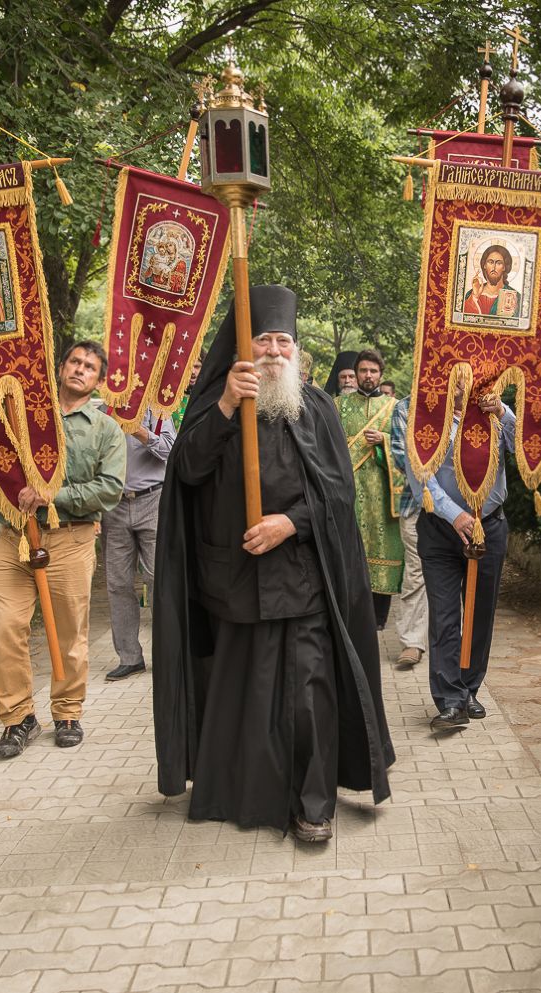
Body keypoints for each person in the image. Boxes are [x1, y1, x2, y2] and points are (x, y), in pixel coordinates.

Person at [153, 285, 395, 843]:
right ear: (244, 346)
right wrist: (222, 407)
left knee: (309, 691)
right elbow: (187, 473)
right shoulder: (215, 402)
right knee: (247, 694)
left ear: (296, 349)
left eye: (283, 341)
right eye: (263, 340)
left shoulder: (316, 407)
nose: (274, 351)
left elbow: (338, 494)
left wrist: (290, 523)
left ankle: (313, 804)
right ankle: (249, 796)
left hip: (302, 578)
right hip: (233, 580)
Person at [0, 340, 126, 759]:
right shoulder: (22, 415)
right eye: (75, 362)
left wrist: (52, 495)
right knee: (6, 628)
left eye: (90, 367)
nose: (80, 369)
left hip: (69, 540)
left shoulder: (105, 429)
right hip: (14, 539)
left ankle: (67, 712)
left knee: (68, 634)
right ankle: (18, 718)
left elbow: (110, 488)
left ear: (99, 380)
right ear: (61, 367)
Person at [417, 379, 514, 729]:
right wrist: (454, 515)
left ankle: (469, 689)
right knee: (445, 616)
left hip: (489, 526)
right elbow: (420, 474)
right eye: (454, 372)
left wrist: (503, 412)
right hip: (441, 529)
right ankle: (450, 701)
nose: (461, 380)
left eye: (468, 372)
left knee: (480, 614)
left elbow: (525, 450)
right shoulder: (425, 416)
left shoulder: (494, 413)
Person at [101, 407, 176, 680]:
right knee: (118, 583)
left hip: (153, 499)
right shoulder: (104, 411)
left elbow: (172, 451)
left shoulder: (157, 409)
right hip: (115, 504)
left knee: (158, 580)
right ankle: (130, 658)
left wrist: (140, 432)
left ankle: (167, 657)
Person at [334, 349, 404, 631]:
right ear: (355, 373)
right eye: (363, 370)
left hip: (382, 495)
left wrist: (384, 440)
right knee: (348, 552)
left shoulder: (395, 407)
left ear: (381, 375)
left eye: (373, 371)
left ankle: (378, 619)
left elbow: (406, 449)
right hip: (348, 492)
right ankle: (348, 615)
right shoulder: (338, 405)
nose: (368, 375)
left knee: (381, 550)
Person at [389, 396, 428, 669]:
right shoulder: (405, 408)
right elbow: (403, 459)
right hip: (417, 504)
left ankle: (450, 639)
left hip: (463, 509)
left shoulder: (467, 402)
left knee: (454, 573)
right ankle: (412, 642)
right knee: (416, 573)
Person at [463, 245, 520, 318]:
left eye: (499, 263)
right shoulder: (471, 294)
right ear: (484, 265)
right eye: (490, 262)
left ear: (504, 267)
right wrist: (475, 297)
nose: (494, 267)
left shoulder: (514, 296)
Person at [171, 350, 206, 431]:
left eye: (197, 367)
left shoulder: (209, 397)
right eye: (189, 367)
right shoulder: (169, 398)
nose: (193, 372)